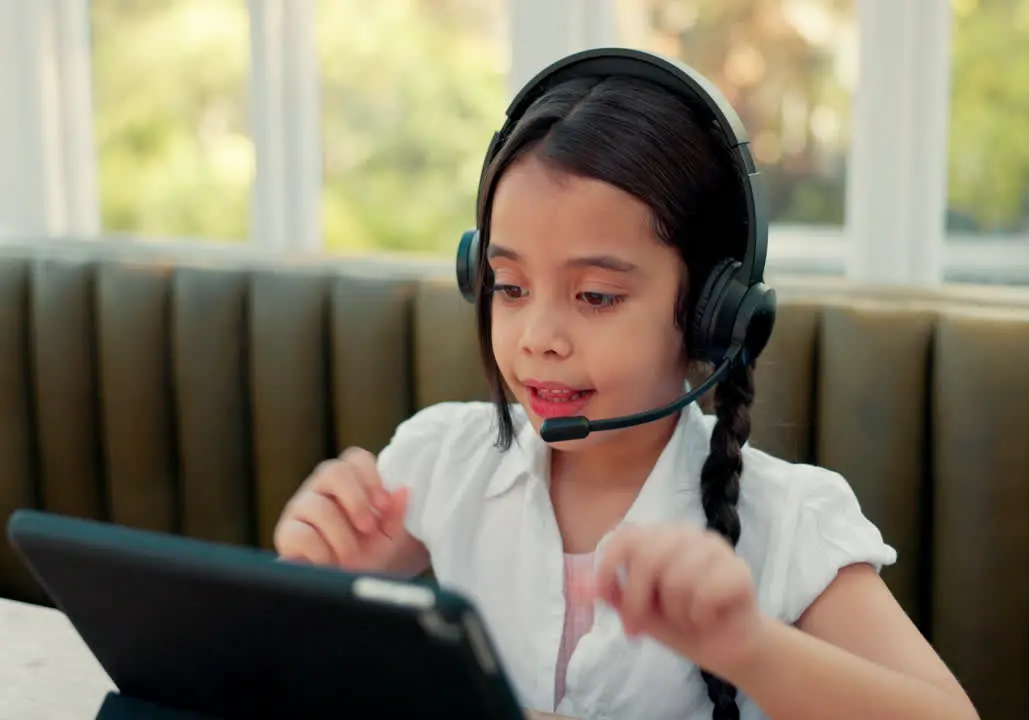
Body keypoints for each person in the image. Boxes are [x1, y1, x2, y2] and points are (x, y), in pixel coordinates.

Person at [272, 50, 978, 720]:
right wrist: (320, 588)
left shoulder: (789, 518)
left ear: (710, 312)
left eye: (597, 297)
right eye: (510, 286)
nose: (537, 336)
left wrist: (748, 648)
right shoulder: (442, 462)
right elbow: (282, 677)